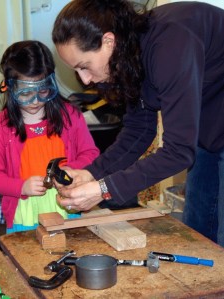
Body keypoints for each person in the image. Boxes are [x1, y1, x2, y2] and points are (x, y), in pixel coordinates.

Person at [51, 0, 224, 246]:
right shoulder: (128, 55)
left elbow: (178, 152)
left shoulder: (170, 45)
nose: (85, 80)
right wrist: (91, 173)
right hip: (211, 123)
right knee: (198, 230)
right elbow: (139, 129)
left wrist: (103, 188)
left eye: (84, 66)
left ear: (108, 41)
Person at [0, 40, 99, 233]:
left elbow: (91, 154)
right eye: (26, 93)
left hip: (68, 208)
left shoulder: (70, 116)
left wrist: (72, 170)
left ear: (51, 82)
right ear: (9, 88)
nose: (36, 101)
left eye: (43, 90)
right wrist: (21, 187)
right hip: (24, 215)